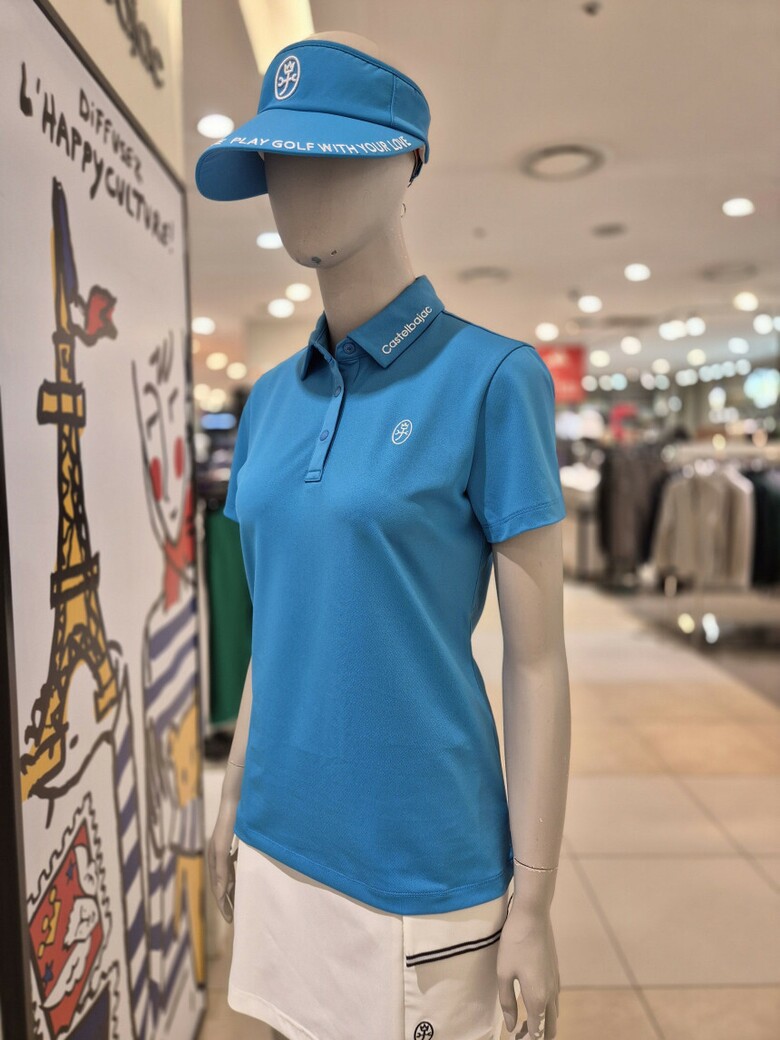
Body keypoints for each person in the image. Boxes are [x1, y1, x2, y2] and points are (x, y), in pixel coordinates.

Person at [195, 30, 571, 1040]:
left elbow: (537, 659)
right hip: (277, 837)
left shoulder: (493, 380)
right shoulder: (267, 402)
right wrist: (232, 802)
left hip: (419, 859)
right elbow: (275, 628)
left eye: (328, 154)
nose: (295, 187)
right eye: (279, 162)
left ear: (406, 163)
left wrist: (533, 899)